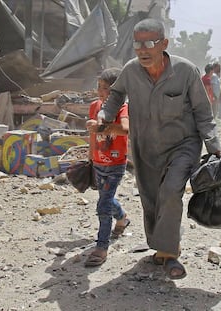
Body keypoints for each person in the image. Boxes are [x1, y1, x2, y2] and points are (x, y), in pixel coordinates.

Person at [97, 18, 221, 279]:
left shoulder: (186, 71)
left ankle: (170, 254)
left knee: (170, 191)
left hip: (183, 145)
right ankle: (161, 245)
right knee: (151, 198)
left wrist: (213, 145)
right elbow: (116, 95)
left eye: (150, 43)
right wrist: (105, 115)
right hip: (146, 146)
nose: (143, 50)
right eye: (137, 44)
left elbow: (202, 111)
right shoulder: (131, 71)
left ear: (164, 43)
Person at [84, 68, 130, 267]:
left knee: (103, 204)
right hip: (99, 162)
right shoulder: (95, 106)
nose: (100, 92)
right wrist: (90, 156)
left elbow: (126, 129)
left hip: (115, 164)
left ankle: (101, 247)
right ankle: (122, 218)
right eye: (99, 87)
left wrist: (103, 127)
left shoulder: (122, 108)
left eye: (106, 88)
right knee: (107, 198)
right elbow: (93, 136)